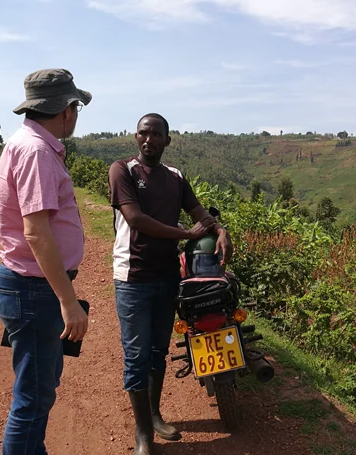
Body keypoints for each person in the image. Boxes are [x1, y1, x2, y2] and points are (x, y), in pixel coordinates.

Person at [108, 113, 233, 454]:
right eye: (142, 133)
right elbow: (135, 219)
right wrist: (185, 234)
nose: (148, 139)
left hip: (167, 277)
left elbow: (199, 214)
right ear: (136, 137)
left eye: (156, 134)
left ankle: (153, 414)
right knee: (136, 356)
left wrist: (220, 231)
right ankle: (143, 433)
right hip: (132, 278)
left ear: (167, 140)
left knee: (157, 352)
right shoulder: (123, 170)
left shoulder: (176, 177)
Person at [0, 68, 91, 454]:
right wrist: (68, 302)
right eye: (76, 107)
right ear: (67, 110)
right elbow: (36, 232)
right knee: (32, 401)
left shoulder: (28, 143)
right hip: (34, 292)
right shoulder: (36, 152)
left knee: (39, 388)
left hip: (32, 287)